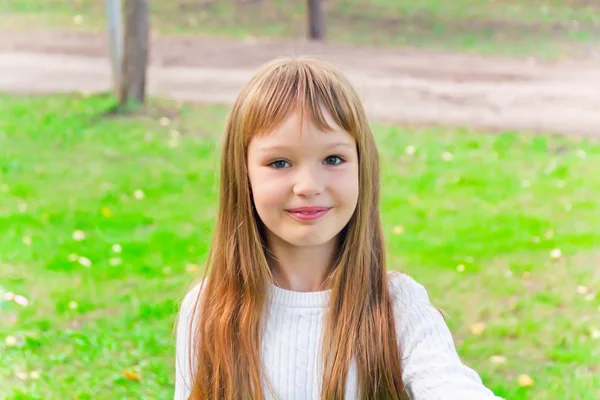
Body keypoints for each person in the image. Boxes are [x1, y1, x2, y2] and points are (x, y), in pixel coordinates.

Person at [174, 57, 503, 400]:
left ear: (362, 167)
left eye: (333, 159)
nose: (309, 185)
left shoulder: (397, 307)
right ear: (242, 175)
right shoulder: (207, 310)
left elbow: (449, 383)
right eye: (279, 162)